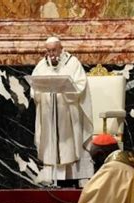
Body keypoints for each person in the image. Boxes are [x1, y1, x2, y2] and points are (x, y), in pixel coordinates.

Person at [31, 36, 94, 186]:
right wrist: (39, 91)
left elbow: (80, 85)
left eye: (54, 50)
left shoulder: (73, 63)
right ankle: (52, 180)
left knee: (69, 146)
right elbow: (34, 87)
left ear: (61, 48)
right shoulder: (41, 65)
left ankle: (70, 179)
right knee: (50, 145)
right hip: (48, 115)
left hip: (67, 114)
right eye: (48, 51)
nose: (52, 54)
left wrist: (65, 89)